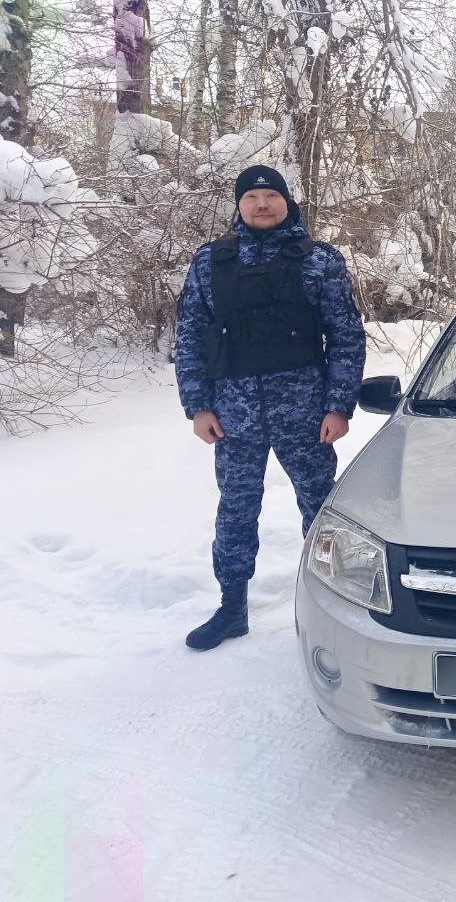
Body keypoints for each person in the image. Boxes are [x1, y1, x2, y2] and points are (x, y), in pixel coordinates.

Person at [175, 166, 366, 651]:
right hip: (233, 417)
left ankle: (332, 606)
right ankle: (231, 609)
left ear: (286, 201)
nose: (262, 204)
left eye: (271, 196)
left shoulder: (319, 260)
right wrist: (198, 405)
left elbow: (346, 336)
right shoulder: (210, 261)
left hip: (305, 414)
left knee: (321, 511)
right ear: (239, 205)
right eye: (252, 197)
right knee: (235, 511)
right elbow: (190, 335)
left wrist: (338, 406)